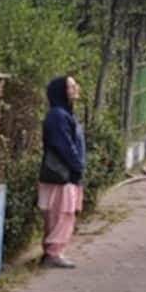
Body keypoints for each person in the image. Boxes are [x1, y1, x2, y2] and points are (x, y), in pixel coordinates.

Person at [38, 76, 85, 269]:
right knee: (61, 214)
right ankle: (53, 252)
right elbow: (64, 145)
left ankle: (54, 251)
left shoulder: (64, 113)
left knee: (62, 214)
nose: (75, 89)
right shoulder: (58, 116)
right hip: (61, 175)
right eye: (71, 87)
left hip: (66, 174)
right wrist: (77, 164)